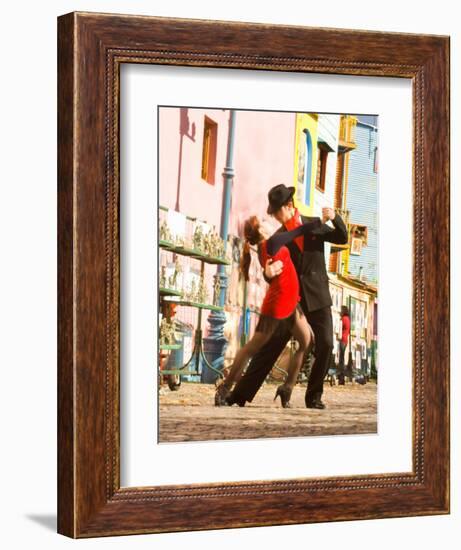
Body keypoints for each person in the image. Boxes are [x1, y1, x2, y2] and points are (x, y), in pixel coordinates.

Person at [227, 184, 348, 409]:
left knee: (326, 344)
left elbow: (342, 237)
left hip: (318, 296)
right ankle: (238, 395)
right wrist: (267, 274)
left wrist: (335, 217)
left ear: (289, 206)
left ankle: (313, 397)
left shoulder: (314, 224)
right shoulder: (280, 236)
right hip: (292, 300)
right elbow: (270, 267)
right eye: (271, 213)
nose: (274, 217)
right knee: (271, 347)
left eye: (276, 212)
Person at [215, 215, 320, 408]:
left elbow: (273, 271)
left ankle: (287, 388)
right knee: (250, 349)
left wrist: (268, 273)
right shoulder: (271, 242)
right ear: (261, 231)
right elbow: (298, 231)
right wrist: (319, 223)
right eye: (263, 221)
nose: (267, 221)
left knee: (307, 341)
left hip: (290, 303)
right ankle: (224, 387)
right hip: (277, 306)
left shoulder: (266, 248)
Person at [337, 305, 350, 385]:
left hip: (342, 340)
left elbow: (339, 327)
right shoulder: (348, 319)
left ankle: (341, 377)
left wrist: (339, 320)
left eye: (341, 310)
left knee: (341, 359)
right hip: (345, 340)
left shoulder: (344, 319)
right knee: (342, 358)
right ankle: (341, 377)